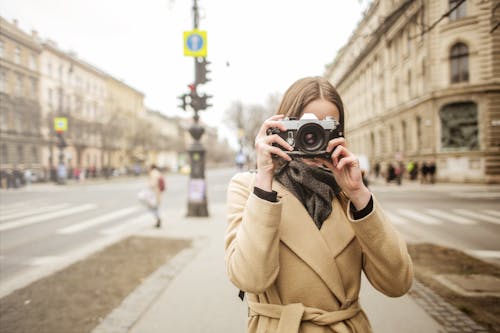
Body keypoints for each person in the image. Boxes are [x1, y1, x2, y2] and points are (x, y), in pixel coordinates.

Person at [225, 77, 413, 333]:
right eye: (304, 127)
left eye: (325, 128)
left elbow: (397, 283)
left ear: (339, 132)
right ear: (281, 127)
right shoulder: (250, 188)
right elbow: (250, 278)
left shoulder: (350, 193)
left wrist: (359, 195)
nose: (312, 139)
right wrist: (264, 179)